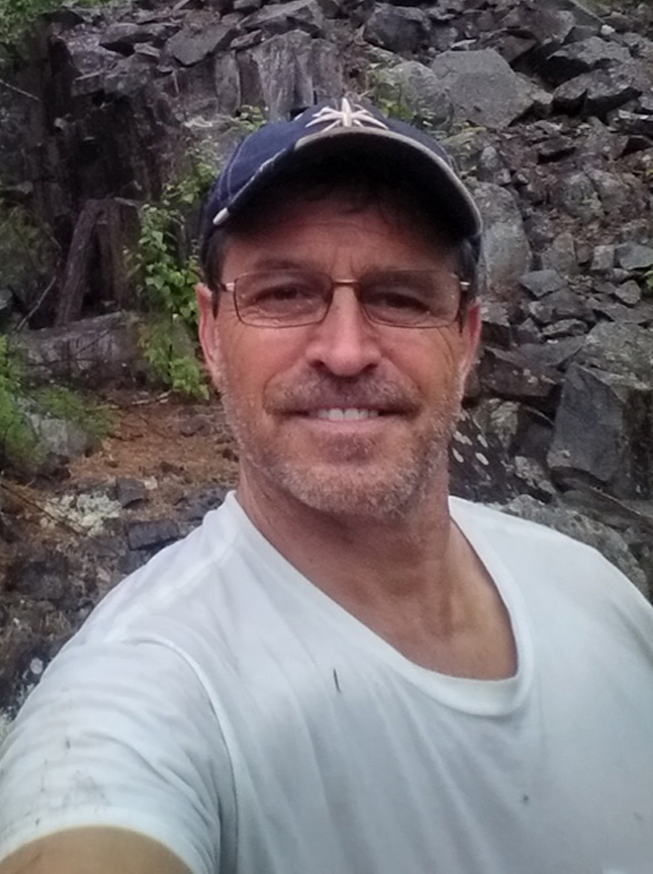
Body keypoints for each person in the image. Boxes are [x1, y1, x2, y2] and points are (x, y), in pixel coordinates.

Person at [1, 96, 652, 874]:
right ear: (211, 333)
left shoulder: (595, 591)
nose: (344, 351)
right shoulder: (140, 694)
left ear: (466, 337)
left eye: (399, 298)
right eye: (283, 294)